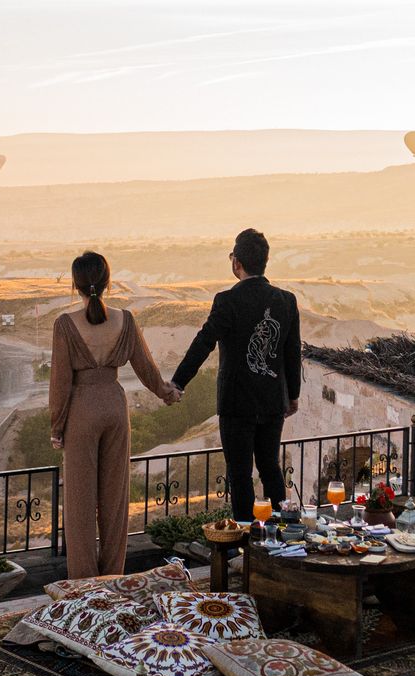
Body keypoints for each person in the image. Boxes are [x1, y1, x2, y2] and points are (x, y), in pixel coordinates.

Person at [49, 250, 179, 577]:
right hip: (115, 407)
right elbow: (147, 369)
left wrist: (57, 426)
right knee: (115, 499)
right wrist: (166, 393)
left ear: (75, 285)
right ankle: (113, 577)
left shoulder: (65, 324)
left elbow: (60, 382)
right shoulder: (126, 319)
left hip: (82, 409)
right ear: (108, 283)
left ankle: (85, 584)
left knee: (80, 503)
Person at [170, 228, 302, 523]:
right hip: (272, 401)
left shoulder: (227, 301)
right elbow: (292, 353)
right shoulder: (286, 301)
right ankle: (285, 531)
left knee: (240, 474)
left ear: (236, 263)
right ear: (265, 262)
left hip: (236, 403)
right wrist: (292, 395)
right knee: (270, 468)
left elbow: (204, 343)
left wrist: (178, 382)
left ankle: (245, 535)